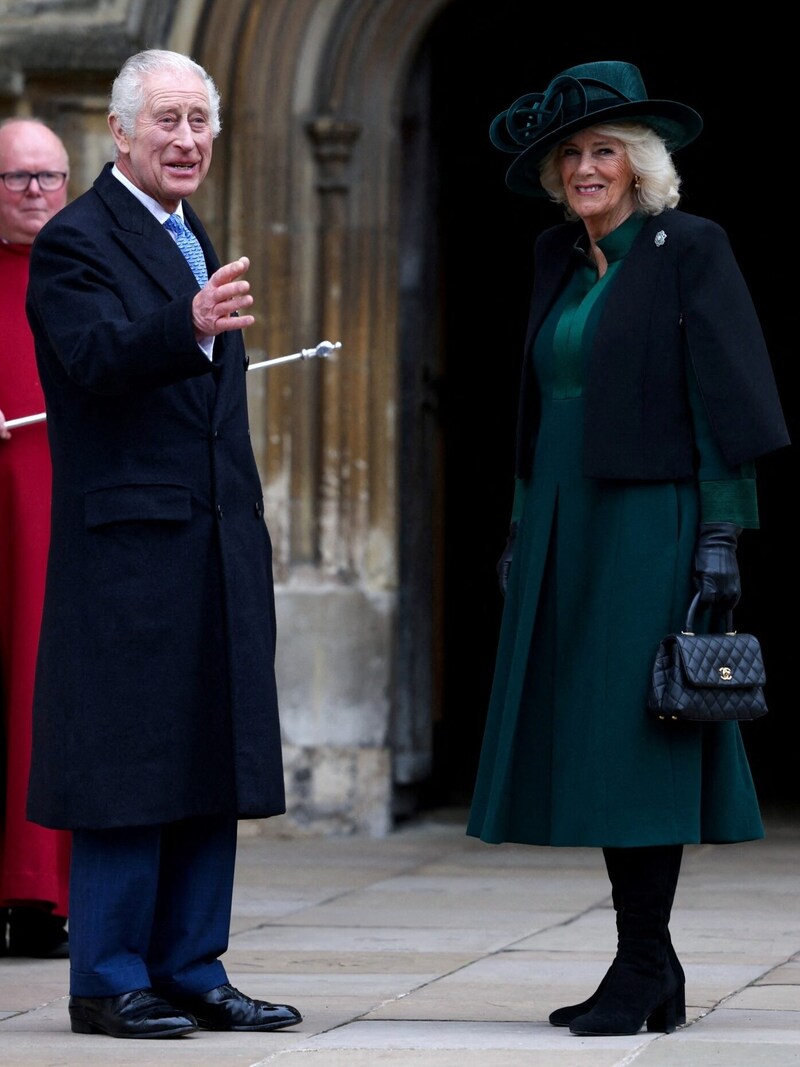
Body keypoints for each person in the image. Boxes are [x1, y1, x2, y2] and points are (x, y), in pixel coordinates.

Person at [466, 61, 790, 1038]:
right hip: (564, 517)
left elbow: (724, 402)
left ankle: (641, 961)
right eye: (568, 154)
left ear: (640, 165)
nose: (582, 167)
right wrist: (523, 527)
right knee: (595, 744)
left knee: (639, 743)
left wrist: (720, 538)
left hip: (651, 521)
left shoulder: (688, 246)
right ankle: (650, 964)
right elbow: (533, 409)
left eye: (601, 149)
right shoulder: (554, 260)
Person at [24, 49, 301, 1039]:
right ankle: (106, 975)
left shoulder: (192, 233)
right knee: (129, 764)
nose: (186, 140)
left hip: (213, 542)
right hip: (128, 553)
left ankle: (192, 965)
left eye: (200, 122)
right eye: (168, 121)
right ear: (122, 132)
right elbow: (93, 357)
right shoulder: (76, 240)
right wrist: (183, 323)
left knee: (206, 757)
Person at [0, 117, 72, 959]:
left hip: (61, 511)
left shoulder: (88, 271)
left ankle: (46, 893)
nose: (34, 194)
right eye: (16, 178)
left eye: (48, 177)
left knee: (45, 690)